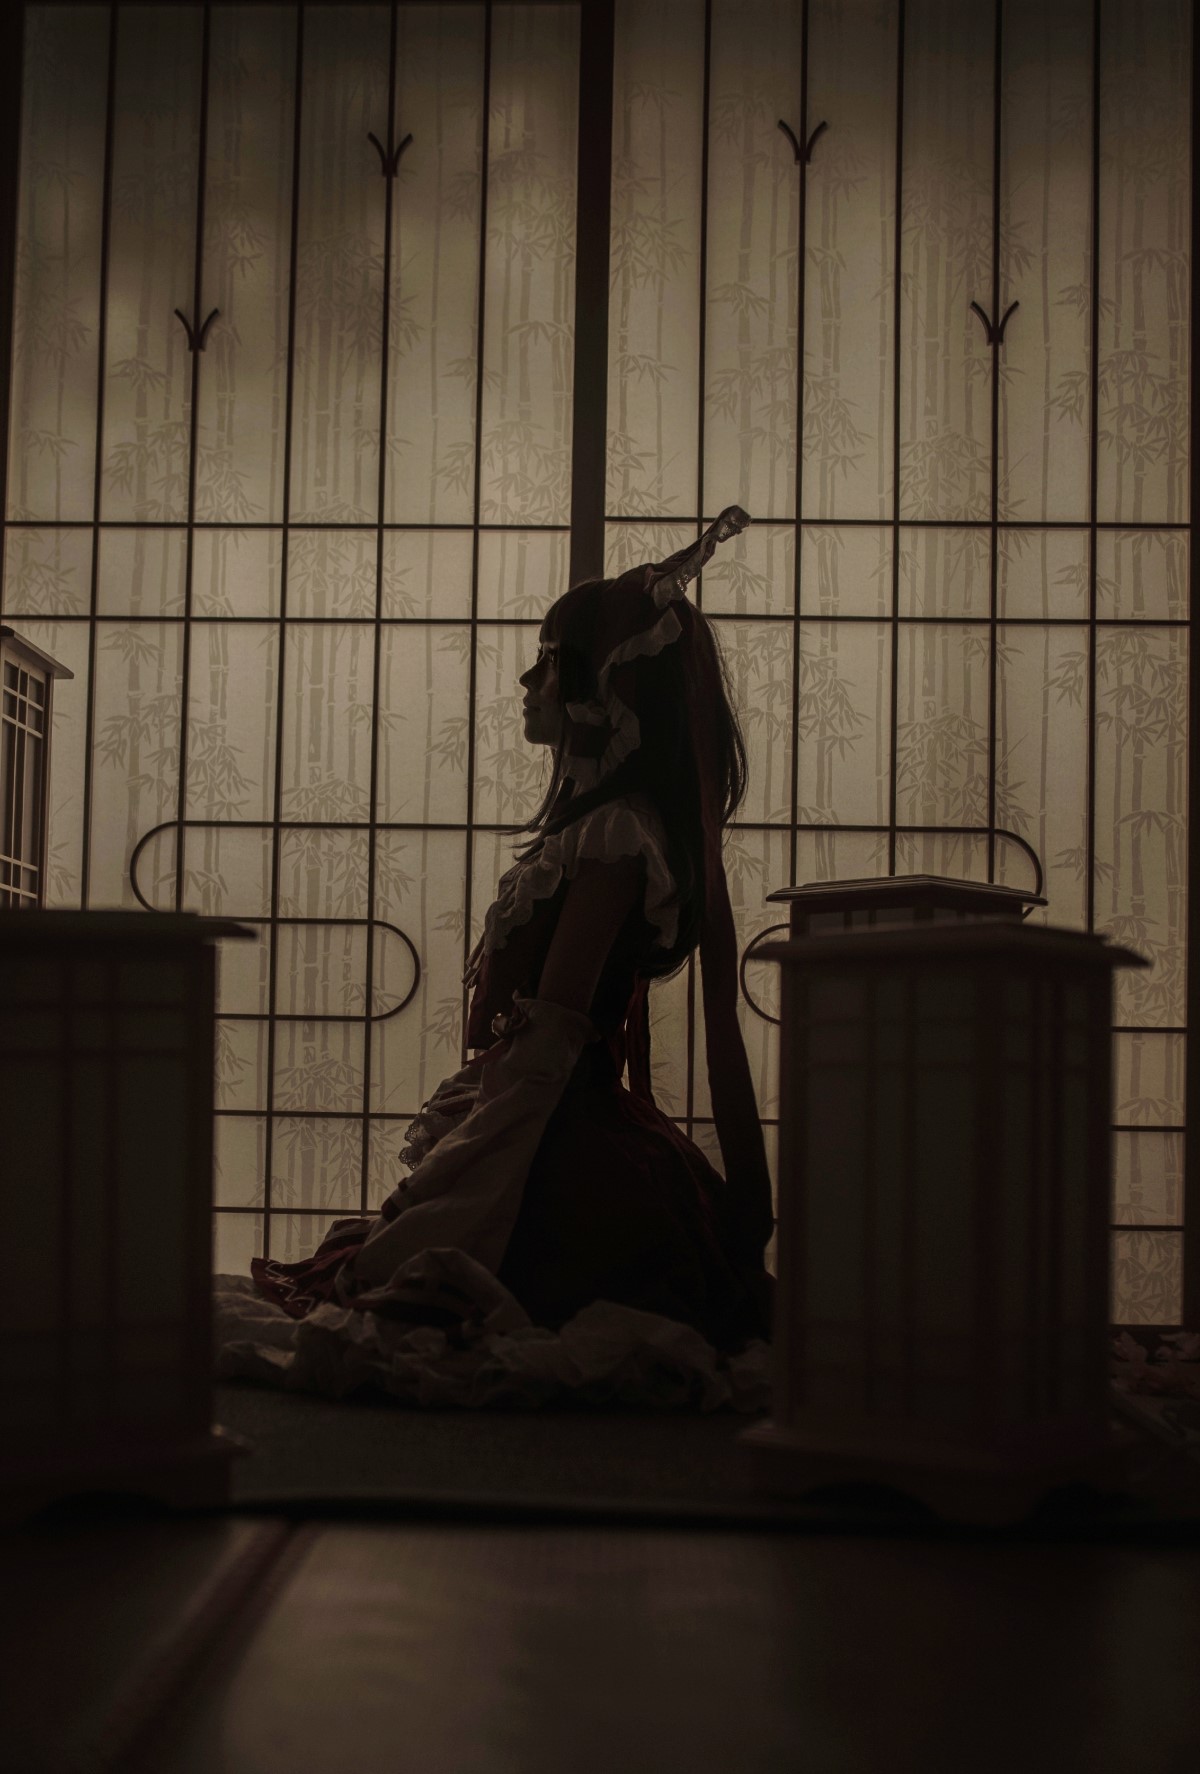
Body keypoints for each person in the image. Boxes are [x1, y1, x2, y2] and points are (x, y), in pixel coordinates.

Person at [251, 507, 775, 1352]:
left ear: (605, 687)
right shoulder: (595, 832)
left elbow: (553, 1033)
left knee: (458, 1306)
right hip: (543, 1107)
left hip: (563, 1130)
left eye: (550, 662)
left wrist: (475, 1155)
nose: (529, 682)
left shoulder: (616, 839)